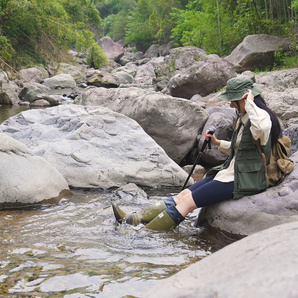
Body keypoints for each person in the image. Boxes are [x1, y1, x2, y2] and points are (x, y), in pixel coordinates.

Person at [112, 77, 283, 231]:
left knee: (187, 204)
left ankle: (145, 235)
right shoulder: (244, 117)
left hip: (245, 179)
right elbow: (242, 147)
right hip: (230, 173)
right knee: (183, 195)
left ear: (245, 99)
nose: (231, 105)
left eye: (234, 101)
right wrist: (216, 143)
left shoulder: (261, 118)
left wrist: (250, 103)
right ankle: (133, 219)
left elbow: (261, 128)